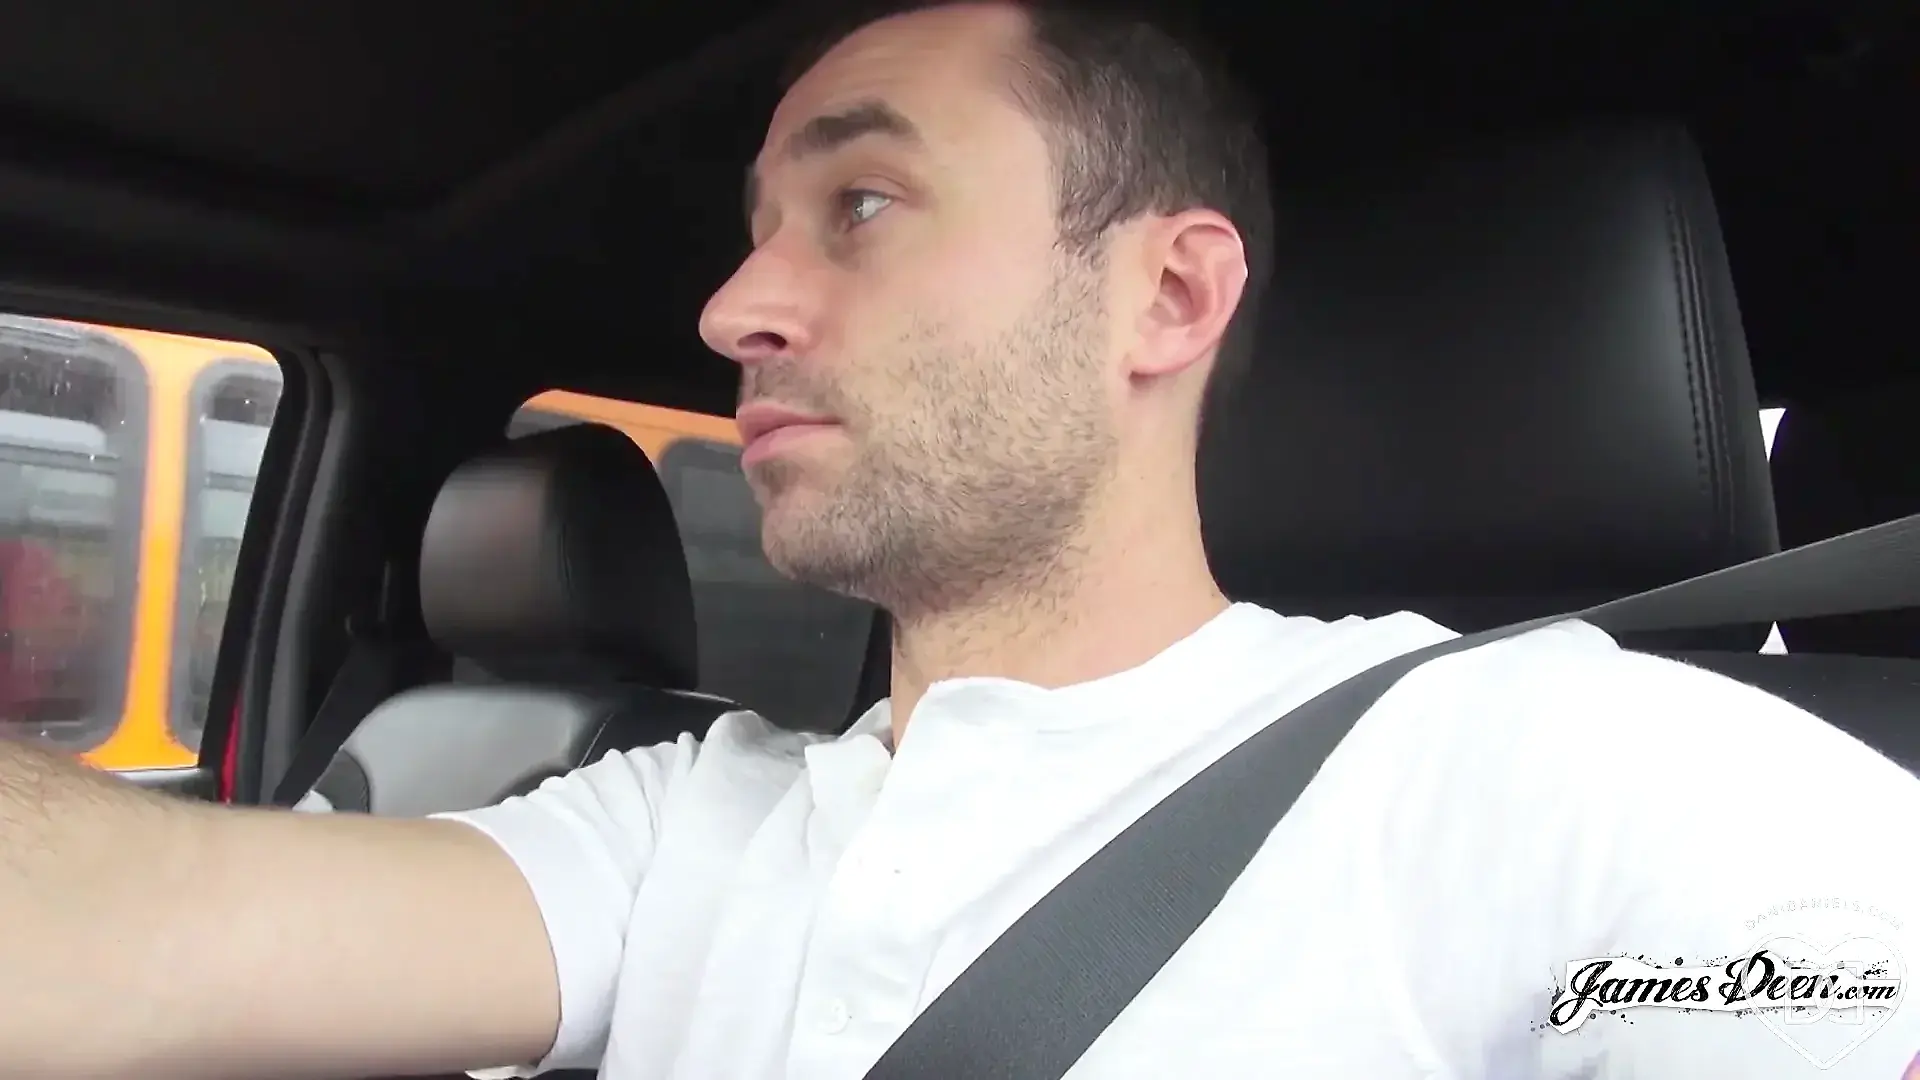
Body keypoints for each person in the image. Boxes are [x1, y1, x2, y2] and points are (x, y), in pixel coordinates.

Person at [1, 2, 1917, 1078]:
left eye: (859, 204)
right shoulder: (683, 823)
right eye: (757, 229)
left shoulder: (1587, 778)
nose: (733, 307)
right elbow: (128, 933)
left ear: (1166, 297)